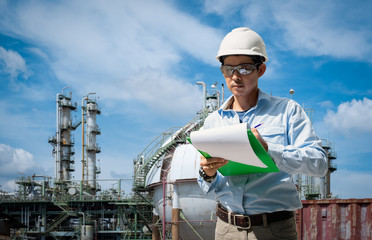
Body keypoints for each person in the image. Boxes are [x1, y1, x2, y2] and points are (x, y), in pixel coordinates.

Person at [197, 27, 328, 240]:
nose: (236, 76)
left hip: (274, 229)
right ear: (222, 71)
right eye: (229, 69)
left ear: (261, 69)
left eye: (245, 68)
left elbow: (320, 164)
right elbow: (205, 183)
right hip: (226, 230)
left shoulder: (287, 111)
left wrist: (268, 149)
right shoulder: (213, 121)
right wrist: (207, 173)